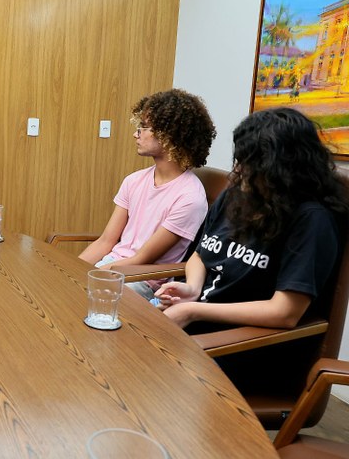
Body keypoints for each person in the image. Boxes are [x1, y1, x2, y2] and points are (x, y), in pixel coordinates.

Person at [155, 107, 347, 333]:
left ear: (280, 167)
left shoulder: (312, 220)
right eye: (239, 159)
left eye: (249, 163)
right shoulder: (236, 194)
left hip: (235, 342)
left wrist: (193, 310)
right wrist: (192, 288)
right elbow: (200, 254)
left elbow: (284, 313)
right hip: (193, 319)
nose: (238, 169)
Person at [78, 89, 217, 299]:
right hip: (111, 266)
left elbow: (142, 258)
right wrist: (71, 271)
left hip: (141, 279)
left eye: (143, 127)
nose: (136, 134)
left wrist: (93, 276)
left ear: (169, 134)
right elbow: (106, 241)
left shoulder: (190, 197)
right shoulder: (133, 180)